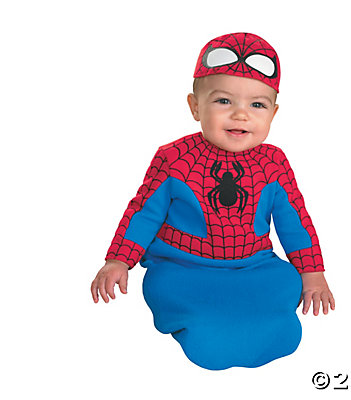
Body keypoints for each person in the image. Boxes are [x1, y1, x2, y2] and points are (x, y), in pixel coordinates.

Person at [91, 32, 335, 370]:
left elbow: (295, 221)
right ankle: (204, 320)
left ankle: (253, 317)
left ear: (274, 113)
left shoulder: (274, 162)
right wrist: (119, 260)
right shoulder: (173, 158)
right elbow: (143, 213)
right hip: (183, 266)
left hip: (253, 264)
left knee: (286, 281)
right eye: (223, 101)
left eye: (257, 105)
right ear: (195, 106)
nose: (240, 115)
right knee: (165, 286)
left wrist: (312, 272)